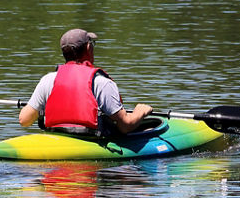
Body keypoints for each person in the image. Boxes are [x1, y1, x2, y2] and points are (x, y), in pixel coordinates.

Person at [18, 29, 153, 136]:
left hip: (57, 136)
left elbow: (24, 120)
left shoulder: (48, 80)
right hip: (90, 141)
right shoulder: (102, 83)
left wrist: (41, 109)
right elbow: (125, 126)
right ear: (88, 48)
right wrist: (140, 112)